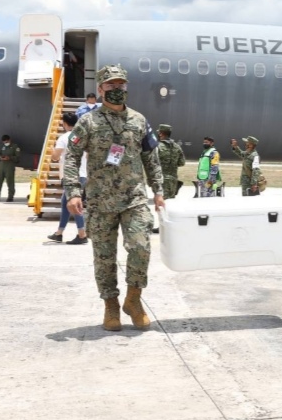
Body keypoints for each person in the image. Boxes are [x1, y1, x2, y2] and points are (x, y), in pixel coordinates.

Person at [63, 64, 165, 331]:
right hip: (100, 200)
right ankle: (110, 306)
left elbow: (150, 158)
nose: (117, 89)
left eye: (121, 85)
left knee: (141, 247)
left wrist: (159, 191)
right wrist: (73, 191)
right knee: (104, 257)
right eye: (111, 85)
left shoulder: (139, 120)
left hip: (134, 198)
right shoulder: (88, 122)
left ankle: (134, 299)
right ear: (100, 89)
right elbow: (71, 156)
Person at [47, 112, 88, 245]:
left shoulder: (63, 138)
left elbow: (55, 156)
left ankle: (82, 234)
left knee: (73, 204)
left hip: (70, 176)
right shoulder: (82, 137)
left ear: (64, 123)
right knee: (66, 203)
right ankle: (59, 232)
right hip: (82, 174)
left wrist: (51, 150)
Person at [151, 124, 185, 234]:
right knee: (171, 204)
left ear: (161, 133)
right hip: (173, 180)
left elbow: (152, 162)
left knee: (161, 204)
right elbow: (182, 163)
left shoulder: (157, 146)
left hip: (162, 179)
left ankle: (162, 227)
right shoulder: (177, 147)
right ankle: (172, 226)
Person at [0, 135, 20, 202]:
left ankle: (10, 197)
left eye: (7, 141)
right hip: (2, 165)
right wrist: (0, 157)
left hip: (10, 166)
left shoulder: (15, 147)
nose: (6, 143)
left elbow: (17, 158)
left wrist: (10, 158)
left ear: (9, 140)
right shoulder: (2, 146)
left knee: (10, 181)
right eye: (4, 142)